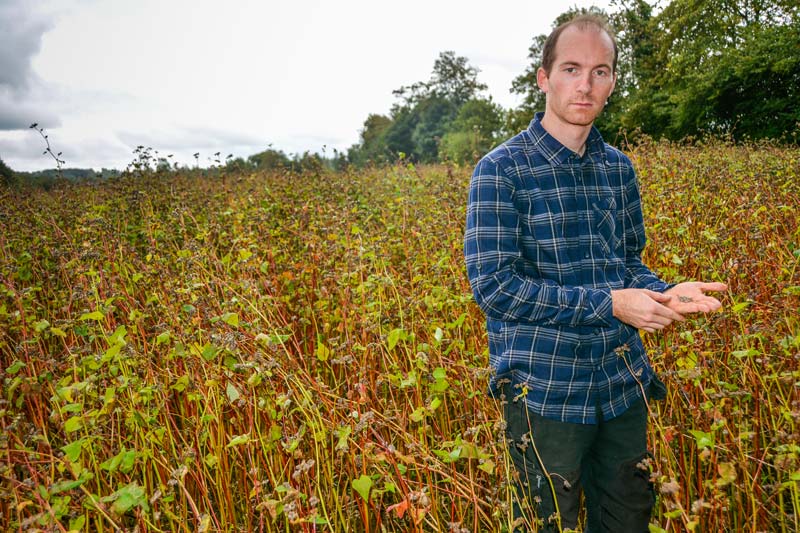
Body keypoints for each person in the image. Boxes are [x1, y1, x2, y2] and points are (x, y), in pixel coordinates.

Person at [463, 14, 727, 532]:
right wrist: (610, 304)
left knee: (629, 518)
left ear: (611, 82)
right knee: (546, 524)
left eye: (600, 71)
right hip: (545, 392)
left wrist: (664, 293)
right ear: (543, 77)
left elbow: (626, 263)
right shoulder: (500, 170)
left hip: (621, 383)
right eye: (571, 68)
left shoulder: (617, 168)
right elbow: (495, 288)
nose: (585, 85)